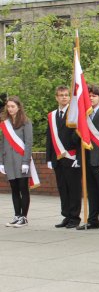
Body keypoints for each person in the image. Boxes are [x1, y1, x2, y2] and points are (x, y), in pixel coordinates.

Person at [77, 84, 99, 232]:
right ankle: (93, 219)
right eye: (89, 96)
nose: (91, 98)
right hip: (87, 158)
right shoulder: (84, 115)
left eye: (94, 96)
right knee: (91, 192)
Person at [45, 85, 82, 229]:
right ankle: (66, 215)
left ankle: (75, 217)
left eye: (66, 95)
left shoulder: (74, 114)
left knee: (74, 188)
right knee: (62, 188)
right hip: (57, 158)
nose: (64, 97)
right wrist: (48, 158)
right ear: (56, 97)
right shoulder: (52, 115)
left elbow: (79, 139)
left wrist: (78, 158)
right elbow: (49, 138)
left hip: (71, 157)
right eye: (61, 95)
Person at [0, 96, 33, 227]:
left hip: (21, 160)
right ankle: (17, 215)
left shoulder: (26, 122)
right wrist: (1, 162)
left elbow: (29, 143)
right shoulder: (5, 123)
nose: (10, 109)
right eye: (8, 106)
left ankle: (24, 217)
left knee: (23, 188)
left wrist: (26, 161)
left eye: (13, 106)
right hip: (9, 161)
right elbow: (2, 144)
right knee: (14, 189)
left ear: (18, 107)